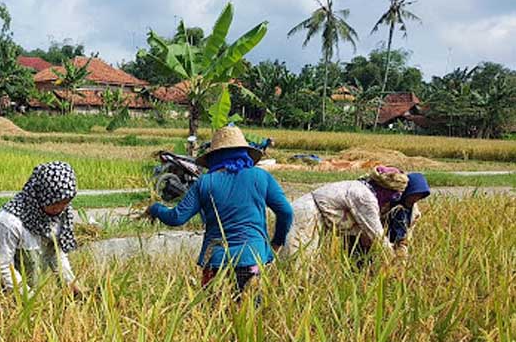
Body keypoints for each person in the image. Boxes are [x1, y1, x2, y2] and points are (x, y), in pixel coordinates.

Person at [145, 125, 293, 295]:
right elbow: (286, 212)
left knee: (213, 312)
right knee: (249, 312)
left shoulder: (205, 182)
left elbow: (176, 218)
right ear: (244, 152)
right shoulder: (261, 177)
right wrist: (277, 241)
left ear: (214, 156)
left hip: (215, 260)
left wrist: (155, 208)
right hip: (252, 257)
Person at [0, 161, 84, 301]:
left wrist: (70, 283)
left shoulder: (58, 214)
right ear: (41, 196)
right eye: (55, 203)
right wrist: (30, 299)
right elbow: (4, 267)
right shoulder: (9, 222)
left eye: (65, 202)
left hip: (26, 284)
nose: (60, 208)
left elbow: (56, 252)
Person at [280, 166, 409, 260]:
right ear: (386, 189)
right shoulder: (365, 197)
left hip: (310, 214)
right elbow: (376, 234)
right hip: (306, 215)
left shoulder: (362, 186)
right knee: (298, 260)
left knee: (305, 259)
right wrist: (394, 259)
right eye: (394, 195)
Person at [385, 172, 430, 256]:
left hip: (402, 244)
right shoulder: (392, 205)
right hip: (386, 242)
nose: (416, 198)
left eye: (419, 196)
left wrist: (405, 241)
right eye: (414, 195)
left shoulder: (414, 211)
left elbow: (409, 228)